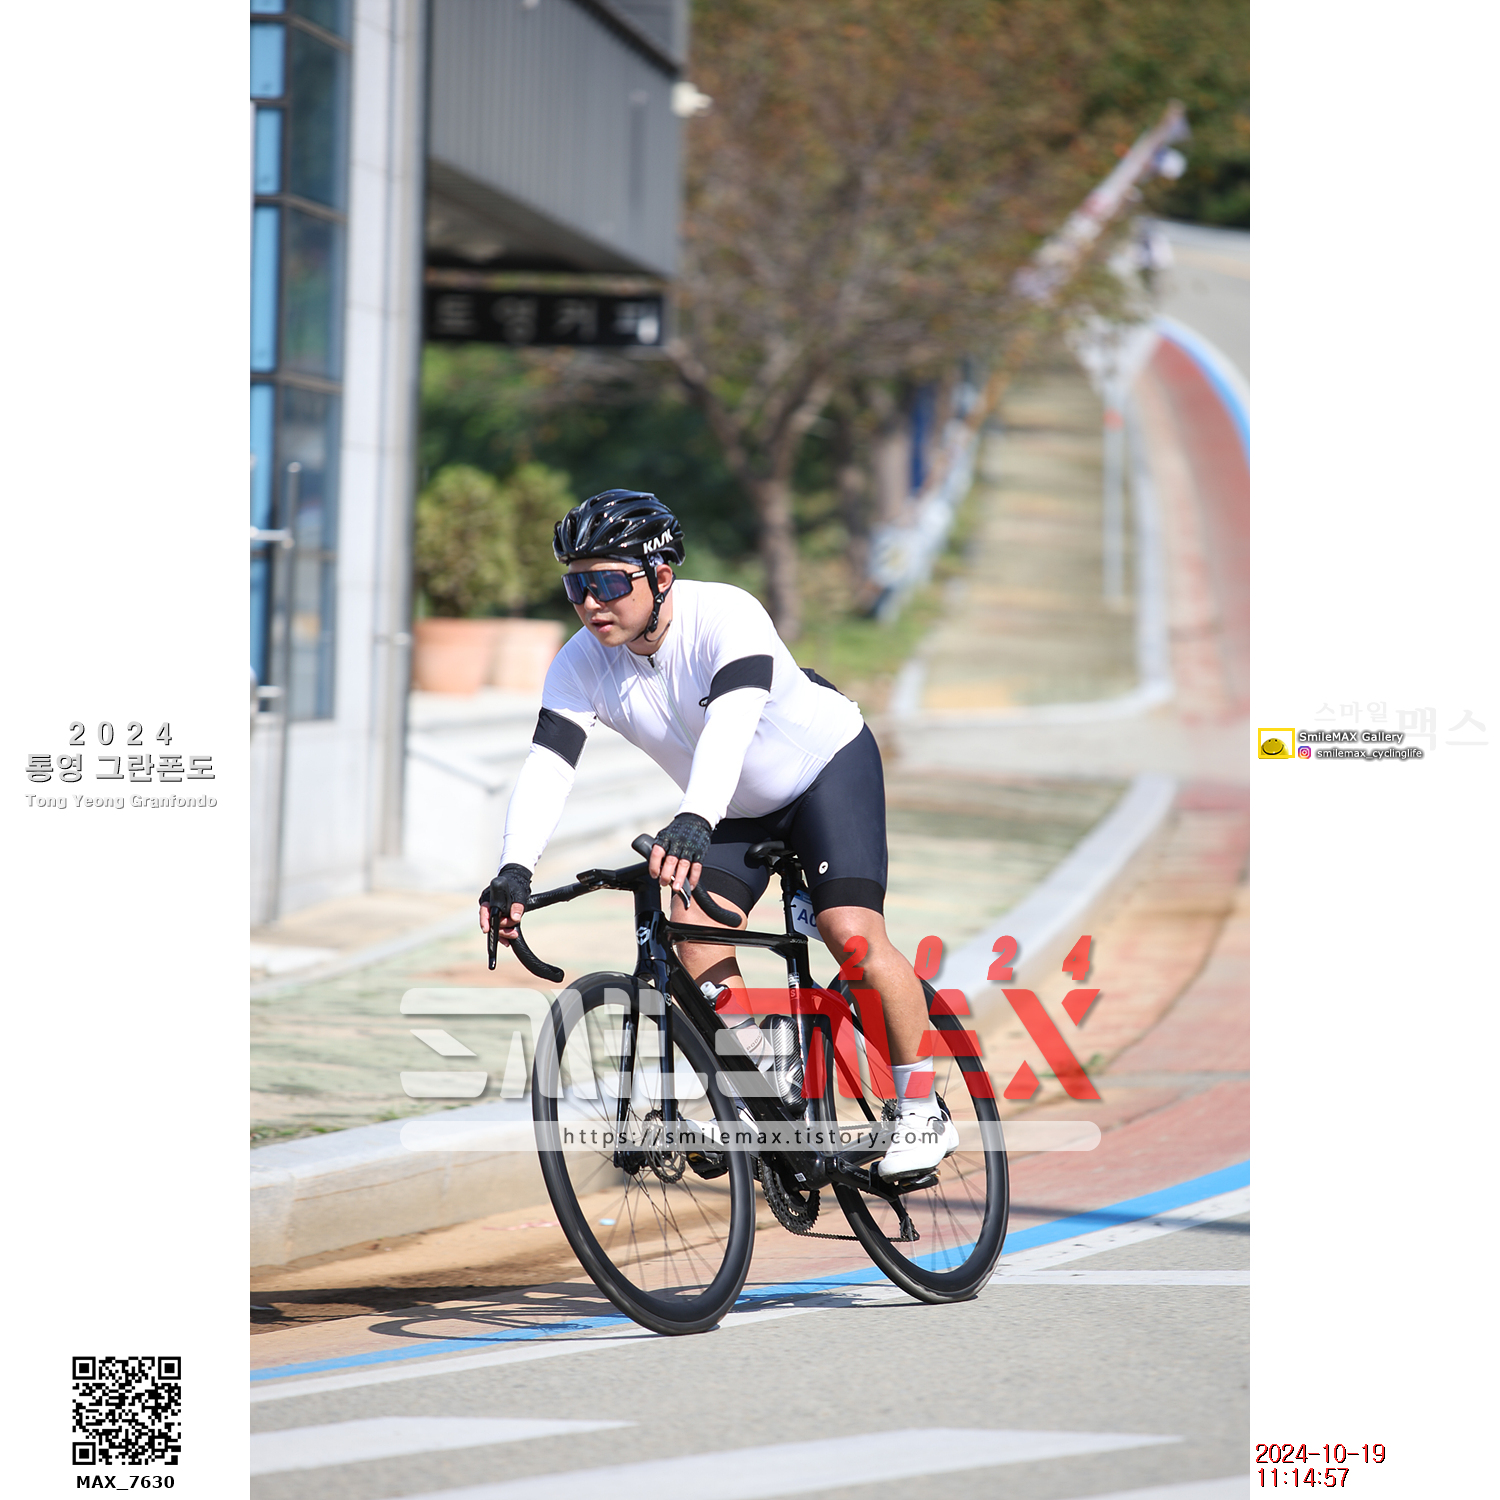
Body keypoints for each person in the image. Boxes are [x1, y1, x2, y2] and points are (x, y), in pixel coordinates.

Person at [478, 488, 957, 1178]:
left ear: (660, 575)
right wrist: (514, 868)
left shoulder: (727, 615)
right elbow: (549, 765)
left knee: (850, 933)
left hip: (824, 770)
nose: (590, 603)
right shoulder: (580, 662)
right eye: (575, 586)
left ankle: (921, 1110)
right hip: (731, 804)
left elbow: (731, 726)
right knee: (693, 930)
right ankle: (767, 1075)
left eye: (607, 583)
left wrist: (695, 817)